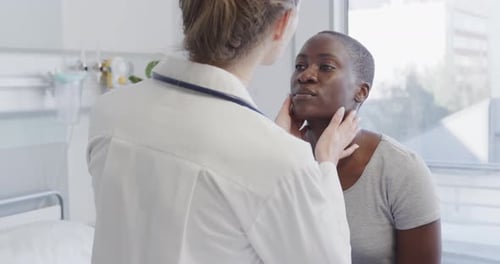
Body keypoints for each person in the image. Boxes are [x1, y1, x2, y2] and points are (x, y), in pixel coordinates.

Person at [87, 1, 360, 264]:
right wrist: (325, 166)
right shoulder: (281, 161)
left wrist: (273, 146)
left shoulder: (110, 112)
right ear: (283, 23)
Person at [289, 30, 441, 264]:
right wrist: (279, 149)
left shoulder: (402, 169)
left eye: (326, 67)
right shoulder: (282, 156)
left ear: (361, 91)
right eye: (300, 66)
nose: (305, 75)